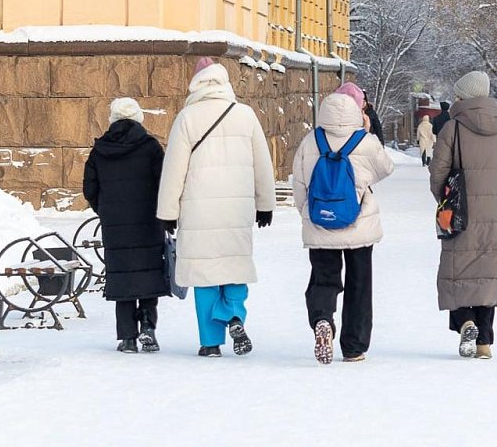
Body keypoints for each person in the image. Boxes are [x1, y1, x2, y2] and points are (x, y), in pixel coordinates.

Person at [157, 57, 277, 358]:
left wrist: (168, 212)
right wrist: (266, 205)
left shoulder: (187, 117)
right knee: (235, 267)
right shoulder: (245, 115)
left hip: (198, 211)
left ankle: (210, 343)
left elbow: (174, 170)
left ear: (195, 84)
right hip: (236, 210)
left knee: (204, 275)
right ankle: (233, 314)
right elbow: (263, 163)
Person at [293, 88, 394, 364]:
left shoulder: (310, 141)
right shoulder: (365, 141)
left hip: (320, 223)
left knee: (323, 278)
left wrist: (306, 211)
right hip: (359, 225)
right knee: (359, 283)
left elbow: (300, 184)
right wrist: (368, 132)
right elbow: (386, 168)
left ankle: (323, 319)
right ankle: (354, 346)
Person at [428, 71, 497, 360]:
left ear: (464, 97)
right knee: (487, 276)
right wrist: (494, 195)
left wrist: (448, 200)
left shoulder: (452, 129)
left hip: (460, 215)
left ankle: (465, 321)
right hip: (494, 215)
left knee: (457, 273)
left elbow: (437, 173)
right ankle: (484, 343)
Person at [82, 97, 168, 354]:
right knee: (148, 274)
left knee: (122, 279)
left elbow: (90, 187)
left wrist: (105, 210)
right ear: (139, 117)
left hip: (116, 225)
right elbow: (164, 183)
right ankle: (148, 327)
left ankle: (128, 337)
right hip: (148, 222)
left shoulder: (100, 149)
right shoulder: (151, 147)